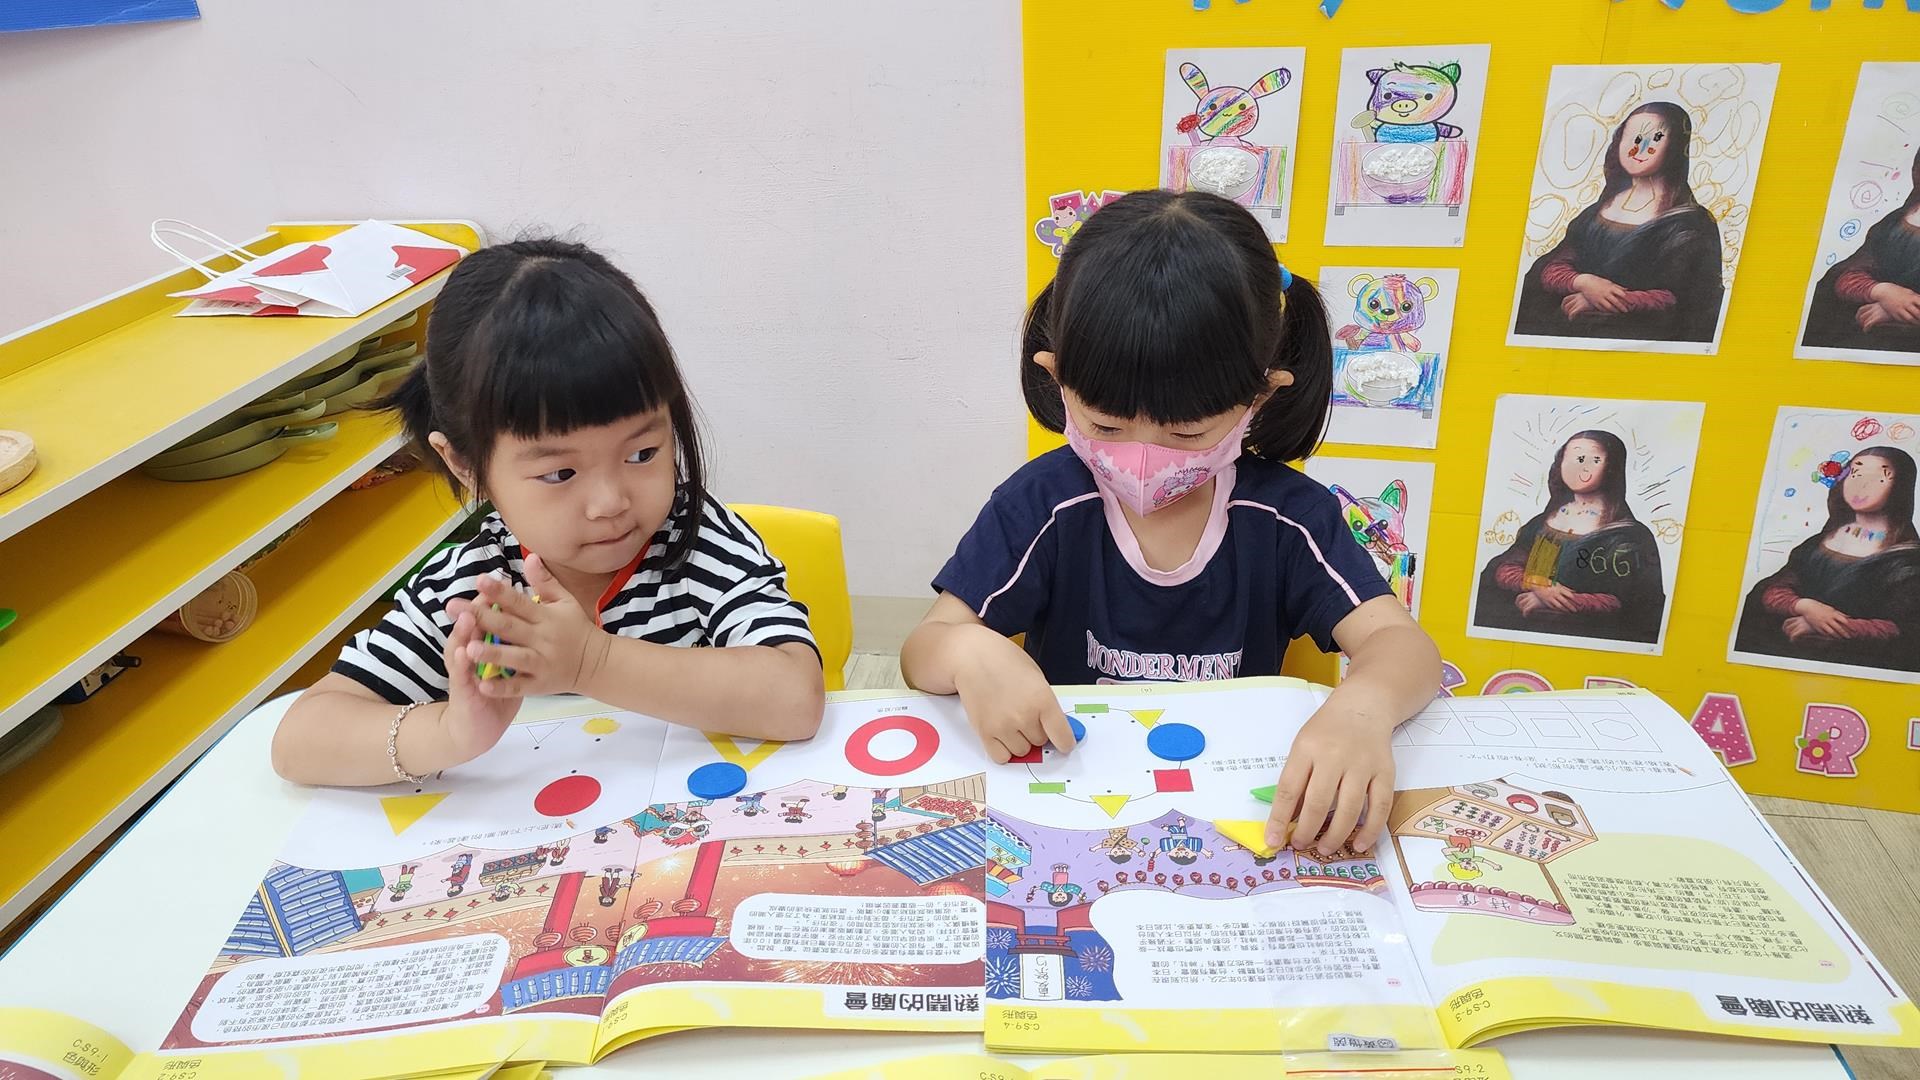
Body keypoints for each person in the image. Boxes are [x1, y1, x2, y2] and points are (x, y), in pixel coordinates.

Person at [900, 189, 1442, 858]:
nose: (1144, 457)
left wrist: (1363, 710)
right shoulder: (1043, 503)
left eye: (1187, 433)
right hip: (1075, 802)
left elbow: (1403, 644)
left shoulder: (1286, 517)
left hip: (1227, 811)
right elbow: (922, 651)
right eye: (1106, 425)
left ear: (1261, 395)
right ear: (1055, 377)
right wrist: (965, 650)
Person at [272, 239, 824, 786]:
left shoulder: (699, 544)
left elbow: (796, 698)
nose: (610, 503)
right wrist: (450, 731)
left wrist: (591, 662)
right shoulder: (477, 589)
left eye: (642, 453)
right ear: (464, 464)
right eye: (560, 473)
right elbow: (299, 744)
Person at [1513, 101, 1724, 343]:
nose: (1640, 149)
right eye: (1634, 138)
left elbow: (1687, 299)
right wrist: (1584, 282)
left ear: (1675, 146)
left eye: (1656, 138)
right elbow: (1551, 267)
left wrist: (1604, 300)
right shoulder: (1596, 212)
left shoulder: (1692, 223)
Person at [1735, 446, 1920, 673]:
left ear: (1901, 486)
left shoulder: (1908, 560)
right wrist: (1806, 607)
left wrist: (1823, 627)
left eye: (1881, 476)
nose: (1862, 484)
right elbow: (1773, 588)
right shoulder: (1819, 543)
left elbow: (1906, 631)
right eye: (1856, 473)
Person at [1474, 429, 1667, 644]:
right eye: (1574, 458)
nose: (1580, 467)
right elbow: (1504, 568)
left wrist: (1552, 601)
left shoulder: (1629, 536)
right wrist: (1539, 585)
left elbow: (1629, 603)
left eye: (1593, 460)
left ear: (1612, 467)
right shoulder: (1543, 523)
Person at [1801, 146, 1920, 357]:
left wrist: (1900, 311)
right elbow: (1847, 274)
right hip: (1868, 337)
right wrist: (1882, 291)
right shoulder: (1892, 222)